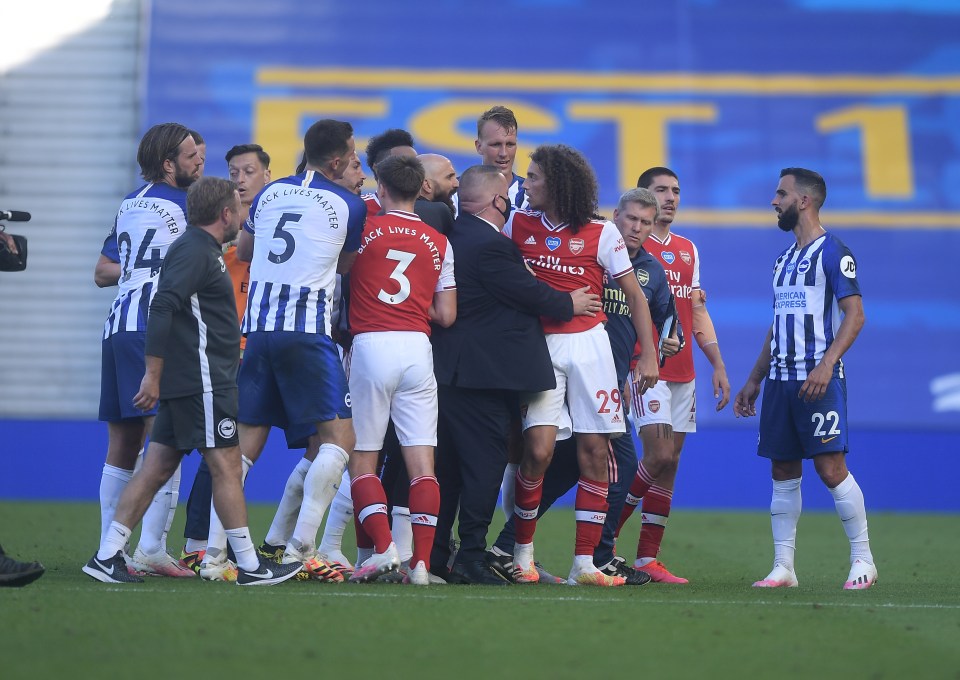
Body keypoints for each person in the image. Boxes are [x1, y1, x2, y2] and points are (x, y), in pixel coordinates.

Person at [82, 176, 303, 586]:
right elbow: (163, 304)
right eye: (239, 206)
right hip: (203, 380)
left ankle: (107, 554)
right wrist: (152, 373)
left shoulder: (202, 250)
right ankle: (250, 565)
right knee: (226, 465)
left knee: (155, 468)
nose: (243, 213)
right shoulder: (195, 251)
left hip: (197, 378)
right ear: (225, 214)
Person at [487, 188, 676, 586]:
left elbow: (663, 318)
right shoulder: (571, 238)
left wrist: (653, 355)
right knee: (541, 454)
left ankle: (590, 556)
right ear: (616, 216)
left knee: (600, 459)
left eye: (645, 222)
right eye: (631, 220)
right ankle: (519, 549)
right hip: (549, 355)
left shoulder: (649, 270)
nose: (637, 229)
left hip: (601, 372)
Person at [428, 164, 601, 585]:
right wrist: (566, 304)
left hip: (453, 372)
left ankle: (436, 555)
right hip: (481, 377)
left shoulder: (455, 235)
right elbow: (525, 291)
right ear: (496, 202)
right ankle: (469, 556)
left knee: (449, 469)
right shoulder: (488, 244)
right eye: (508, 194)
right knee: (484, 467)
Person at [222, 119, 366, 581]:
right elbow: (344, 265)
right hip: (307, 331)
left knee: (242, 447)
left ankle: (211, 554)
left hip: (259, 329)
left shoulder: (270, 192)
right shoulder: (349, 204)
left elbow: (243, 250)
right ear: (338, 160)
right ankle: (300, 549)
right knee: (340, 439)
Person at [734, 168, 877, 590]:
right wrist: (755, 379)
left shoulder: (834, 252)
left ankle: (864, 560)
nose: (774, 201)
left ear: (804, 201)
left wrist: (827, 363)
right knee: (783, 470)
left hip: (818, 380)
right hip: (780, 380)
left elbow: (856, 314)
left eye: (781, 194)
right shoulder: (783, 261)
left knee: (831, 469)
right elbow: (777, 326)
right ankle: (784, 568)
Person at [92, 122, 202, 579]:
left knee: (123, 443)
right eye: (192, 155)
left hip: (118, 324)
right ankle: (149, 547)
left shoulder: (130, 205)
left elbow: (102, 271)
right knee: (166, 439)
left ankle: (109, 547)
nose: (199, 160)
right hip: (155, 328)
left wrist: (140, 266)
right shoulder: (186, 206)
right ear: (167, 164)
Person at [614, 166, 730, 584]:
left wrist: (716, 363)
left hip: (684, 371)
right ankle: (605, 537)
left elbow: (695, 309)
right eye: (661, 190)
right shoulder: (626, 245)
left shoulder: (687, 249)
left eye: (676, 191)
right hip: (644, 369)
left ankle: (647, 558)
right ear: (643, 197)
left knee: (671, 464)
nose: (670, 198)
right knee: (658, 455)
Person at [345, 155, 456, 585]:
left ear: (382, 187)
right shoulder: (439, 241)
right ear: (420, 188)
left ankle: (383, 547)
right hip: (417, 346)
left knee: (364, 460)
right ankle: (422, 565)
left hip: (372, 343)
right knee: (422, 463)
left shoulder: (364, 231)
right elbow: (446, 314)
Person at [176, 143, 273, 578]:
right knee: (221, 451)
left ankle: (266, 545)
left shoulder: (276, 221)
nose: (239, 178)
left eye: (248, 170)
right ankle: (202, 543)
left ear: (267, 175)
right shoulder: (223, 236)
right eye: (233, 170)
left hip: (267, 347)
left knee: (234, 450)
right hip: (230, 352)